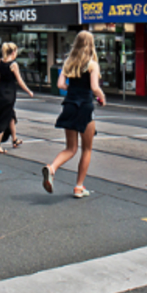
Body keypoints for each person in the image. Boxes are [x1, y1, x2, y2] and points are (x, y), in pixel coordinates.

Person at [41, 31, 106, 199]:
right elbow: (94, 87)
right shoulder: (92, 65)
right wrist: (102, 96)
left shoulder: (68, 62)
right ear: (91, 45)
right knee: (87, 149)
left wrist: (73, 89)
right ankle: (78, 187)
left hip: (69, 106)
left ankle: (52, 168)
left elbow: (60, 84)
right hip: (84, 107)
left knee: (71, 148)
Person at [0, 42, 34, 152]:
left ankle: (14, 140)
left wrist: (1, 74)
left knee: (11, 117)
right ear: (14, 52)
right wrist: (29, 91)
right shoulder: (13, 64)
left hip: (0, 93)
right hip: (9, 94)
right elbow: (19, 81)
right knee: (4, 119)